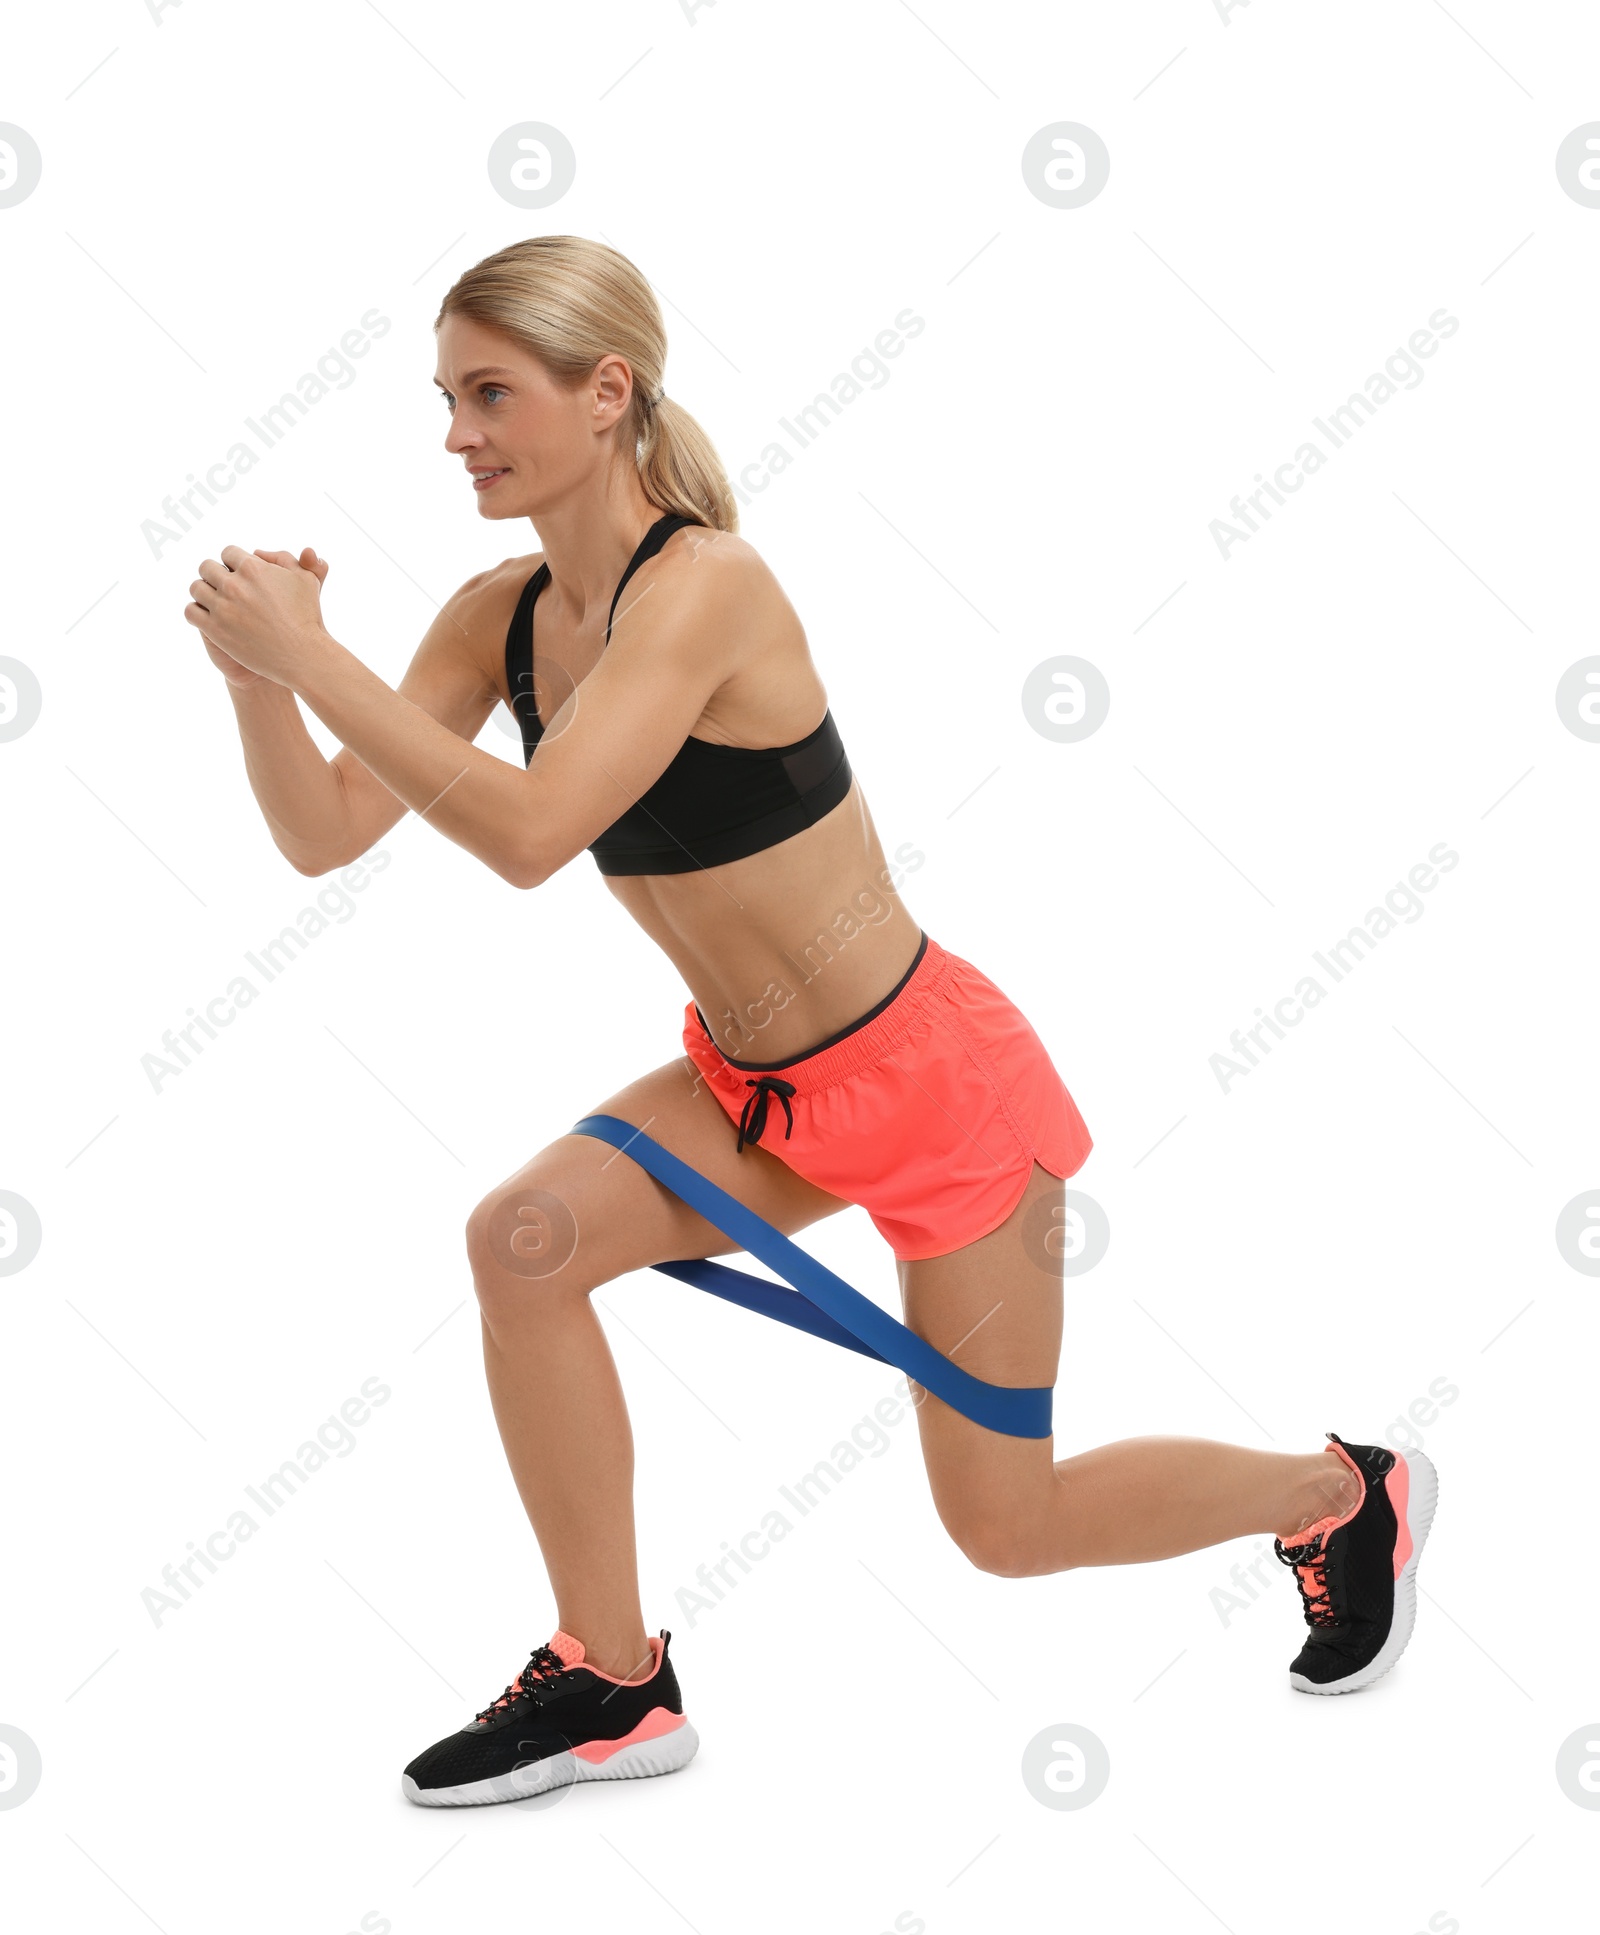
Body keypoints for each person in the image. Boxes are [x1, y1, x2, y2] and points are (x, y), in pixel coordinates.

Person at [184, 235, 1436, 1809]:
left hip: (933, 1085)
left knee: (1005, 1528)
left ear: (607, 391)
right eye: (445, 397)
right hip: (753, 1088)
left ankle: (1340, 1495)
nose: (457, 435)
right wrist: (258, 678)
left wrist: (313, 655)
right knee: (523, 1241)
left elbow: (529, 832)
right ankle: (613, 1676)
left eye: (490, 394)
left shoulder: (707, 586)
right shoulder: (495, 616)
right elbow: (324, 833)